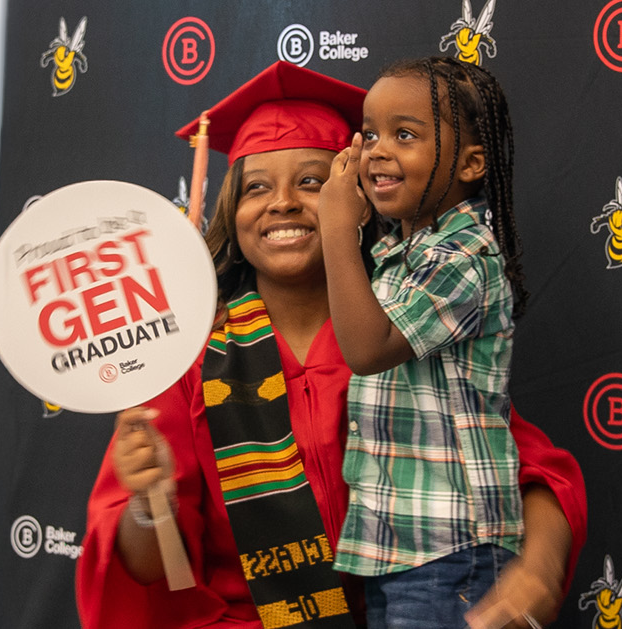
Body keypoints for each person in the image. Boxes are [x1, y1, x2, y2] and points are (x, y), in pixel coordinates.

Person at [76, 62, 582, 629]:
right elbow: (154, 572)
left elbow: (525, 470)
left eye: (313, 182)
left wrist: (537, 567)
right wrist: (150, 505)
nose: (283, 203)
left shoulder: (400, 329)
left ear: (357, 196)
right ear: (231, 212)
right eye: (256, 187)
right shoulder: (191, 360)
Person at [317, 57, 538, 626]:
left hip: (453, 551)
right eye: (369, 133)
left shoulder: (465, 257)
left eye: (405, 135)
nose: (376, 150)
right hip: (402, 548)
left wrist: (337, 228)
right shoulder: (399, 257)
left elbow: (367, 350)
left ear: (471, 163)